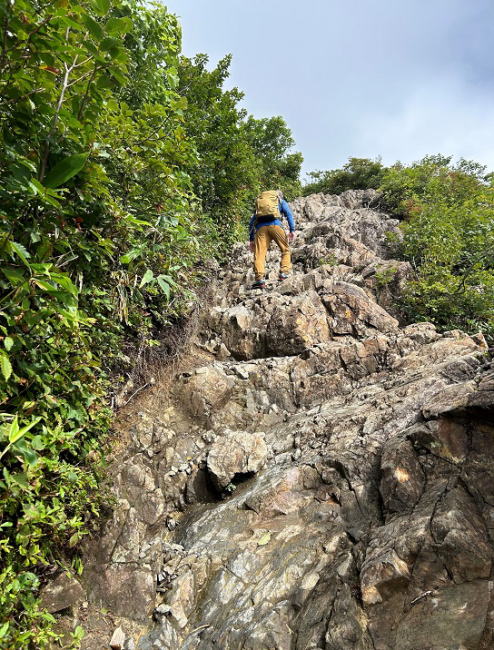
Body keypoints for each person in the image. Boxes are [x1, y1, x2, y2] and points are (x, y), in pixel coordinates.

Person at [248, 189, 296, 289]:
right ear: (279, 196)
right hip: (276, 226)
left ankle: (260, 279)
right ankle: (284, 273)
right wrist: (292, 230)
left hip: (261, 229)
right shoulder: (280, 201)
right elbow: (289, 214)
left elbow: (251, 222)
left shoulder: (260, 204)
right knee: (285, 250)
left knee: (259, 254)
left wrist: (251, 239)